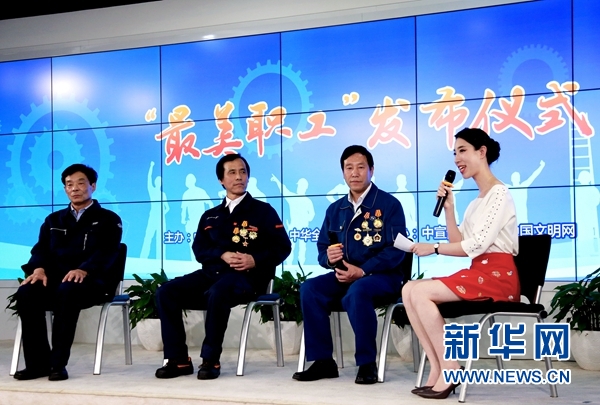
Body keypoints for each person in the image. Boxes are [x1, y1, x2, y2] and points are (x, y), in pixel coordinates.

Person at [403, 128, 518, 399]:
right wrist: (449, 209)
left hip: (498, 276)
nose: (457, 159)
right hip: (479, 271)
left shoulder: (499, 193)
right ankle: (438, 367)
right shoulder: (476, 202)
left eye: (463, 150)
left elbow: (476, 245)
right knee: (408, 289)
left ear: (482, 152)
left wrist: (433, 248)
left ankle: (451, 367)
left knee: (420, 291)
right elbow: (460, 243)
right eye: (454, 153)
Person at [155, 154, 291, 380]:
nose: (239, 177)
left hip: (247, 277)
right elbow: (199, 250)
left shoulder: (263, 211)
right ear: (221, 180)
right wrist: (221, 254)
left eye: (243, 172)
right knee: (166, 292)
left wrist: (255, 259)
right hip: (212, 274)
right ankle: (178, 359)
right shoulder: (211, 216)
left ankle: (210, 359)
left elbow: (282, 246)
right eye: (232, 172)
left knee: (218, 292)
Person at [293, 145, 406, 385]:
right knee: (310, 289)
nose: (354, 173)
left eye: (361, 167)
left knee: (358, 290)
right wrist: (329, 257)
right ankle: (323, 361)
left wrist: (363, 270)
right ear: (343, 172)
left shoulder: (389, 204)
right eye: (349, 168)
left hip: (383, 276)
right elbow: (323, 248)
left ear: (371, 170)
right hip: (346, 275)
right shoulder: (336, 209)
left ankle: (367, 363)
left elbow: (397, 249)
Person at [14, 164, 123, 381]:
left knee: (68, 290)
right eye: (69, 184)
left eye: (81, 183)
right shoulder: (53, 220)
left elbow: (108, 252)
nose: (75, 188)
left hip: (92, 281)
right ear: (65, 189)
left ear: (93, 186)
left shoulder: (109, 219)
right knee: (27, 292)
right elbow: (41, 249)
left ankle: (57, 364)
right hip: (56, 280)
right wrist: (38, 269)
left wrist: (84, 269)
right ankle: (38, 364)